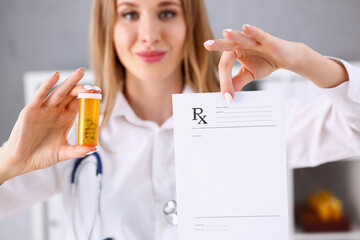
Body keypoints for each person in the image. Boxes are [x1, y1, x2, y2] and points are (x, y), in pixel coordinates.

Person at [0, 0, 360, 239]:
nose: (149, 34)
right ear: (108, 26)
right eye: (129, 13)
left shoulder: (246, 121)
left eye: (167, 12)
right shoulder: (73, 131)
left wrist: (302, 60)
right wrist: (12, 160)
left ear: (190, 22)